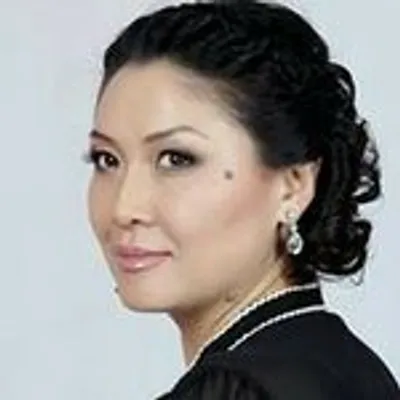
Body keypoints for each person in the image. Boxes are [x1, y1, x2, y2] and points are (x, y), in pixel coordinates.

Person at [83, 0, 400, 398]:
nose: (124, 208)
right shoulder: (351, 366)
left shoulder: (235, 387)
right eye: (107, 159)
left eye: (177, 159)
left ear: (293, 185)